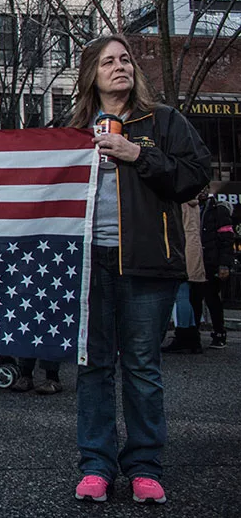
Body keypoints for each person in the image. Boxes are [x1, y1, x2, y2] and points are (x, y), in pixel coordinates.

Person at [69, 35, 210, 504]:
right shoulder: (69, 127)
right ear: (92, 73)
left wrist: (138, 155)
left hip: (149, 263)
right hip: (89, 262)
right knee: (93, 367)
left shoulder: (164, 121)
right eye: (108, 61)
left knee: (143, 368)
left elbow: (196, 174)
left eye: (125, 59)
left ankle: (145, 465)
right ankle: (96, 465)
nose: (120, 67)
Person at [163, 198, 206, 354]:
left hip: (182, 248)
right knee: (188, 295)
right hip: (194, 249)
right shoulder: (194, 204)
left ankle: (183, 334)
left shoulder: (180, 203)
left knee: (182, 294)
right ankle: (192, 336)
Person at [195, 188, 233, 349]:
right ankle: (193, 333)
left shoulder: (218, 209)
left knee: (212, 298)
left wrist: (224, 264)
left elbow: (226, 238)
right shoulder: (193, 207)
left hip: (211, 260)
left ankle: (219, 333)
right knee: (195, 298)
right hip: (197, 259)